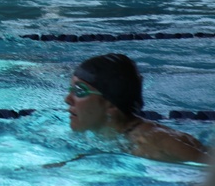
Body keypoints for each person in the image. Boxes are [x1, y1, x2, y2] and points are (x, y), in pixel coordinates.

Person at [65, 53, 207, 164]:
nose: (68, 99)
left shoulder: (156, 141)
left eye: (79, 91)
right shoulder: (110, 135)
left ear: (111, 104)